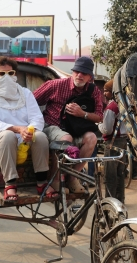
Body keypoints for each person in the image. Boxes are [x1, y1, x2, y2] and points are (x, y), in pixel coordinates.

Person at [0, 57, 53, 202]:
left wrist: (29, 130)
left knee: (41, 137)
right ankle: (10, 184)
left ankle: (41, 182)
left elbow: (37, 117)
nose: (6, 77)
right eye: (2, 74)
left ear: (15, 75)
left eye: (10, 73)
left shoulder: (25, 93)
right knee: (8, 136)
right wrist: (18, 129)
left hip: (25, 133)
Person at [33, 56, 103, 194]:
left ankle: (72, 176)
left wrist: (82, 113)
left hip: (76, 129)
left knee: (92, 138)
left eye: (84, 73)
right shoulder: (56, 85)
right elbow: (30, 101)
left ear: (90, 77)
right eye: (77, 71)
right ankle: (56, 179)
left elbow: (99, 116)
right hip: (52, 126)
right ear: (72, 72)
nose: (79, 75)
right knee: (66, 139)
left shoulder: (94, 91)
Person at [98, 79, 127, 203]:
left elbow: (107, 130)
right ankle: (120, 200)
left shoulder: (111, 107)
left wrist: (98, 125)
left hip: (112, 143)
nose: (104, 93)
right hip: (123, 141)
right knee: (120, 173)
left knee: (110, 175)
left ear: (113, 92)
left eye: (106, 91)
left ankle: (110, 201)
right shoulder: (123, 104)